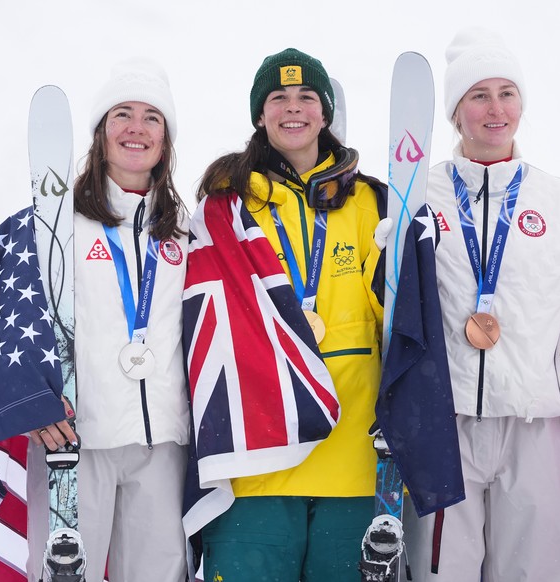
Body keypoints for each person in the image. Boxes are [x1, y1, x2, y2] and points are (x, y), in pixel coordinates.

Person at [182, 48, 389, 582]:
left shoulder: (373, 202)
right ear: (259, 114)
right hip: (255, 455)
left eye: (306, 97)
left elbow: (396, 317)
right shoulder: (224, 206)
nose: (292, 109)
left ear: (325, 112)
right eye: (278, 98)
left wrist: (402, 261)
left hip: (351, 456)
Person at [401, 27, 560, 582]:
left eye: (506, 93)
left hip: (535, 423)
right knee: (442, 571)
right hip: (447, 423)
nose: (496, 109)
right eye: (478, 95)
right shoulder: (419, 194)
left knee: (531, 571)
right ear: (455, 111)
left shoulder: (553, 199)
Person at [23, 57, 190, 581]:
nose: (136, 128)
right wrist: (32, 400)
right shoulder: (56, 223)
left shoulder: (187, 230)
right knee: (64, 573)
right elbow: (15, 318)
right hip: (76, 438)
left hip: (161, 440)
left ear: (165, 141)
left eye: (152, 118)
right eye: (122, 114)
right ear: (101, 132)